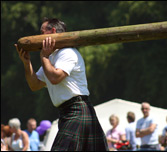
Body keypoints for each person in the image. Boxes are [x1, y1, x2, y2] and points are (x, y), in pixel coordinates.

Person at [15, 17, 108, 151]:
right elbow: (34, 85)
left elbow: (54, 77)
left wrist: (44, 57)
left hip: (79, 109)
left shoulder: (67, 53)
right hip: (66, 112)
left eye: (41, 33)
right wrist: (26, 63)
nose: (39, 37)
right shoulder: (51, 58)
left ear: (52, 31)